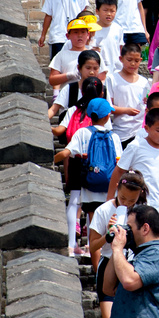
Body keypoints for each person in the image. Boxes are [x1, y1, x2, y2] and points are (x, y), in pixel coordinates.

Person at [88, 169, 148, 318]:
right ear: (116, 190)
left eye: (131, 200)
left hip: (132, 265)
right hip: (108, 265)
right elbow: (92, 245)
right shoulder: (104, 210)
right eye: (122, 197)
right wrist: (109, 235)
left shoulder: (141, 212)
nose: (125, 202)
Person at [54, 97, 122, 250]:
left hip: (89, 186)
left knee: (93, 220)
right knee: (110, 220)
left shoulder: (83, 133)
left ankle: (93, 253)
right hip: (110, 187)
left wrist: (50, 160)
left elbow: (66, 153)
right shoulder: (114, 137)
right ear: (106, 117)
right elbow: (119, 163)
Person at [108, 106, 159, 210]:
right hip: (140, 206)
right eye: (158, 130)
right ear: (147, 128)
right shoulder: (136, 146)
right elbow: (119, 171)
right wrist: (110, 201)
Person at [106, 42, 149, 148]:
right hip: (121, 132)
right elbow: (108, 106)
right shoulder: (112, 79)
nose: (133, 64)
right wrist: (126, 111)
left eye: (136, 60)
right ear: (121, 59)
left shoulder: (144, 82)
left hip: (141, 132)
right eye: (129, 60)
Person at [91, 0, 124, 78]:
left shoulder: (118, 29)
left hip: (115, 71)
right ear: (97, 11)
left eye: (112, 11)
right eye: (105, 10)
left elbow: (120, 49)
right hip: (97, 72)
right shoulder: (91, 29)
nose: (109, 14)